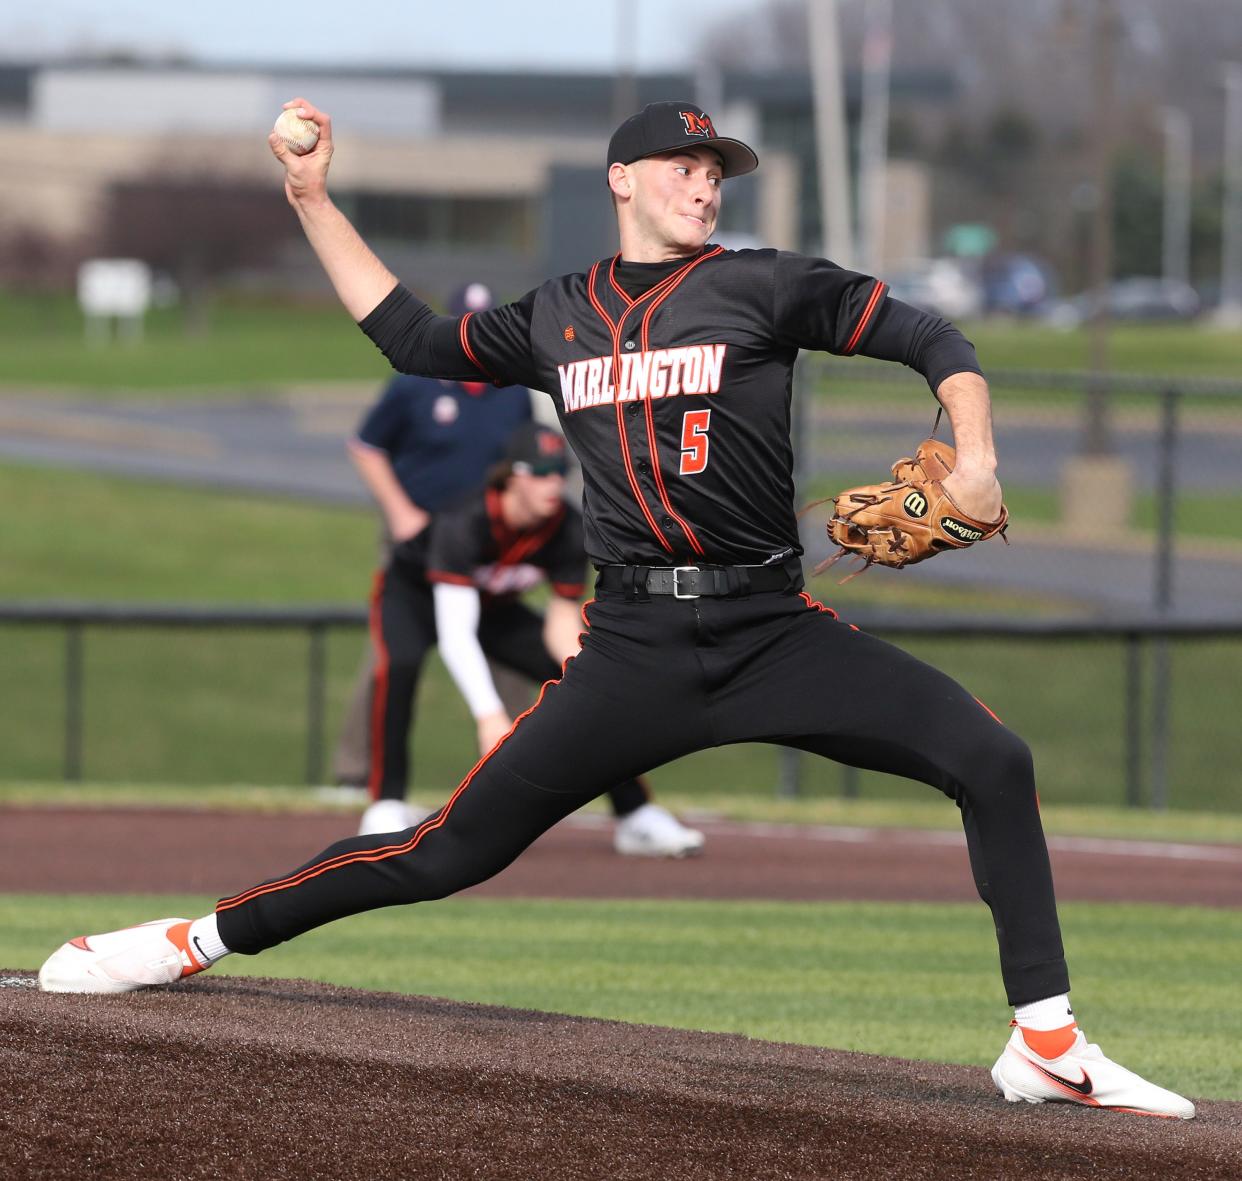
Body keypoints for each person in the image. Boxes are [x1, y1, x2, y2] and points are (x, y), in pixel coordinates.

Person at [37, 98, 1194, 1120]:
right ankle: (190, 939)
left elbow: (933, 335)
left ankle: (1047, 1043)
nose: (704, 183)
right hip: (633, 646)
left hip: (772, 632)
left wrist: (976, 451)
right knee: (445, 850)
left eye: (717, 171)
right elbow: (413, 338)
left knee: (991, 756)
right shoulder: (558, 314)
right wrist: (310, 197)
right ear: (621, 181)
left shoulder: (764, 282)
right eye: (683, 167)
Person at [360, 416, 704, 855]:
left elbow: (561, 623)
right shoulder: (465, 521)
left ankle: (635, 814)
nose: (552, 483)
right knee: (400, 666)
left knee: (582, 688)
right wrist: (488, 715)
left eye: (559, 472)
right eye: (540, 472)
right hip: (415, 598)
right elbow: (456, 635)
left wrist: (588, 679)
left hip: (493, 609)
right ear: (511, 478)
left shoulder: (565, 527)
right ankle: (386, 802)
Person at [335, 280, 532, 829]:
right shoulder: (414, 383)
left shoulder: (510, 390)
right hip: (416, 541)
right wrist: (400, 512)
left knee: (513, 660)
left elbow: (520, 469)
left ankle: (519, 777)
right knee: (392, 657)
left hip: (482, 549)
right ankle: (356, 775)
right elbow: (366, 447)